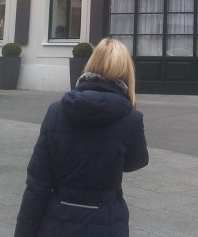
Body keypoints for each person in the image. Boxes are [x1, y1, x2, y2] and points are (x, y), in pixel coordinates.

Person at [14, 38, 149, 237]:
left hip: (58, 220)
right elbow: (136, 162)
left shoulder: (56, 111)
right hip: (107, 221)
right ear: (127, 72)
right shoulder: (131, 118)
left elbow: (38, 183)